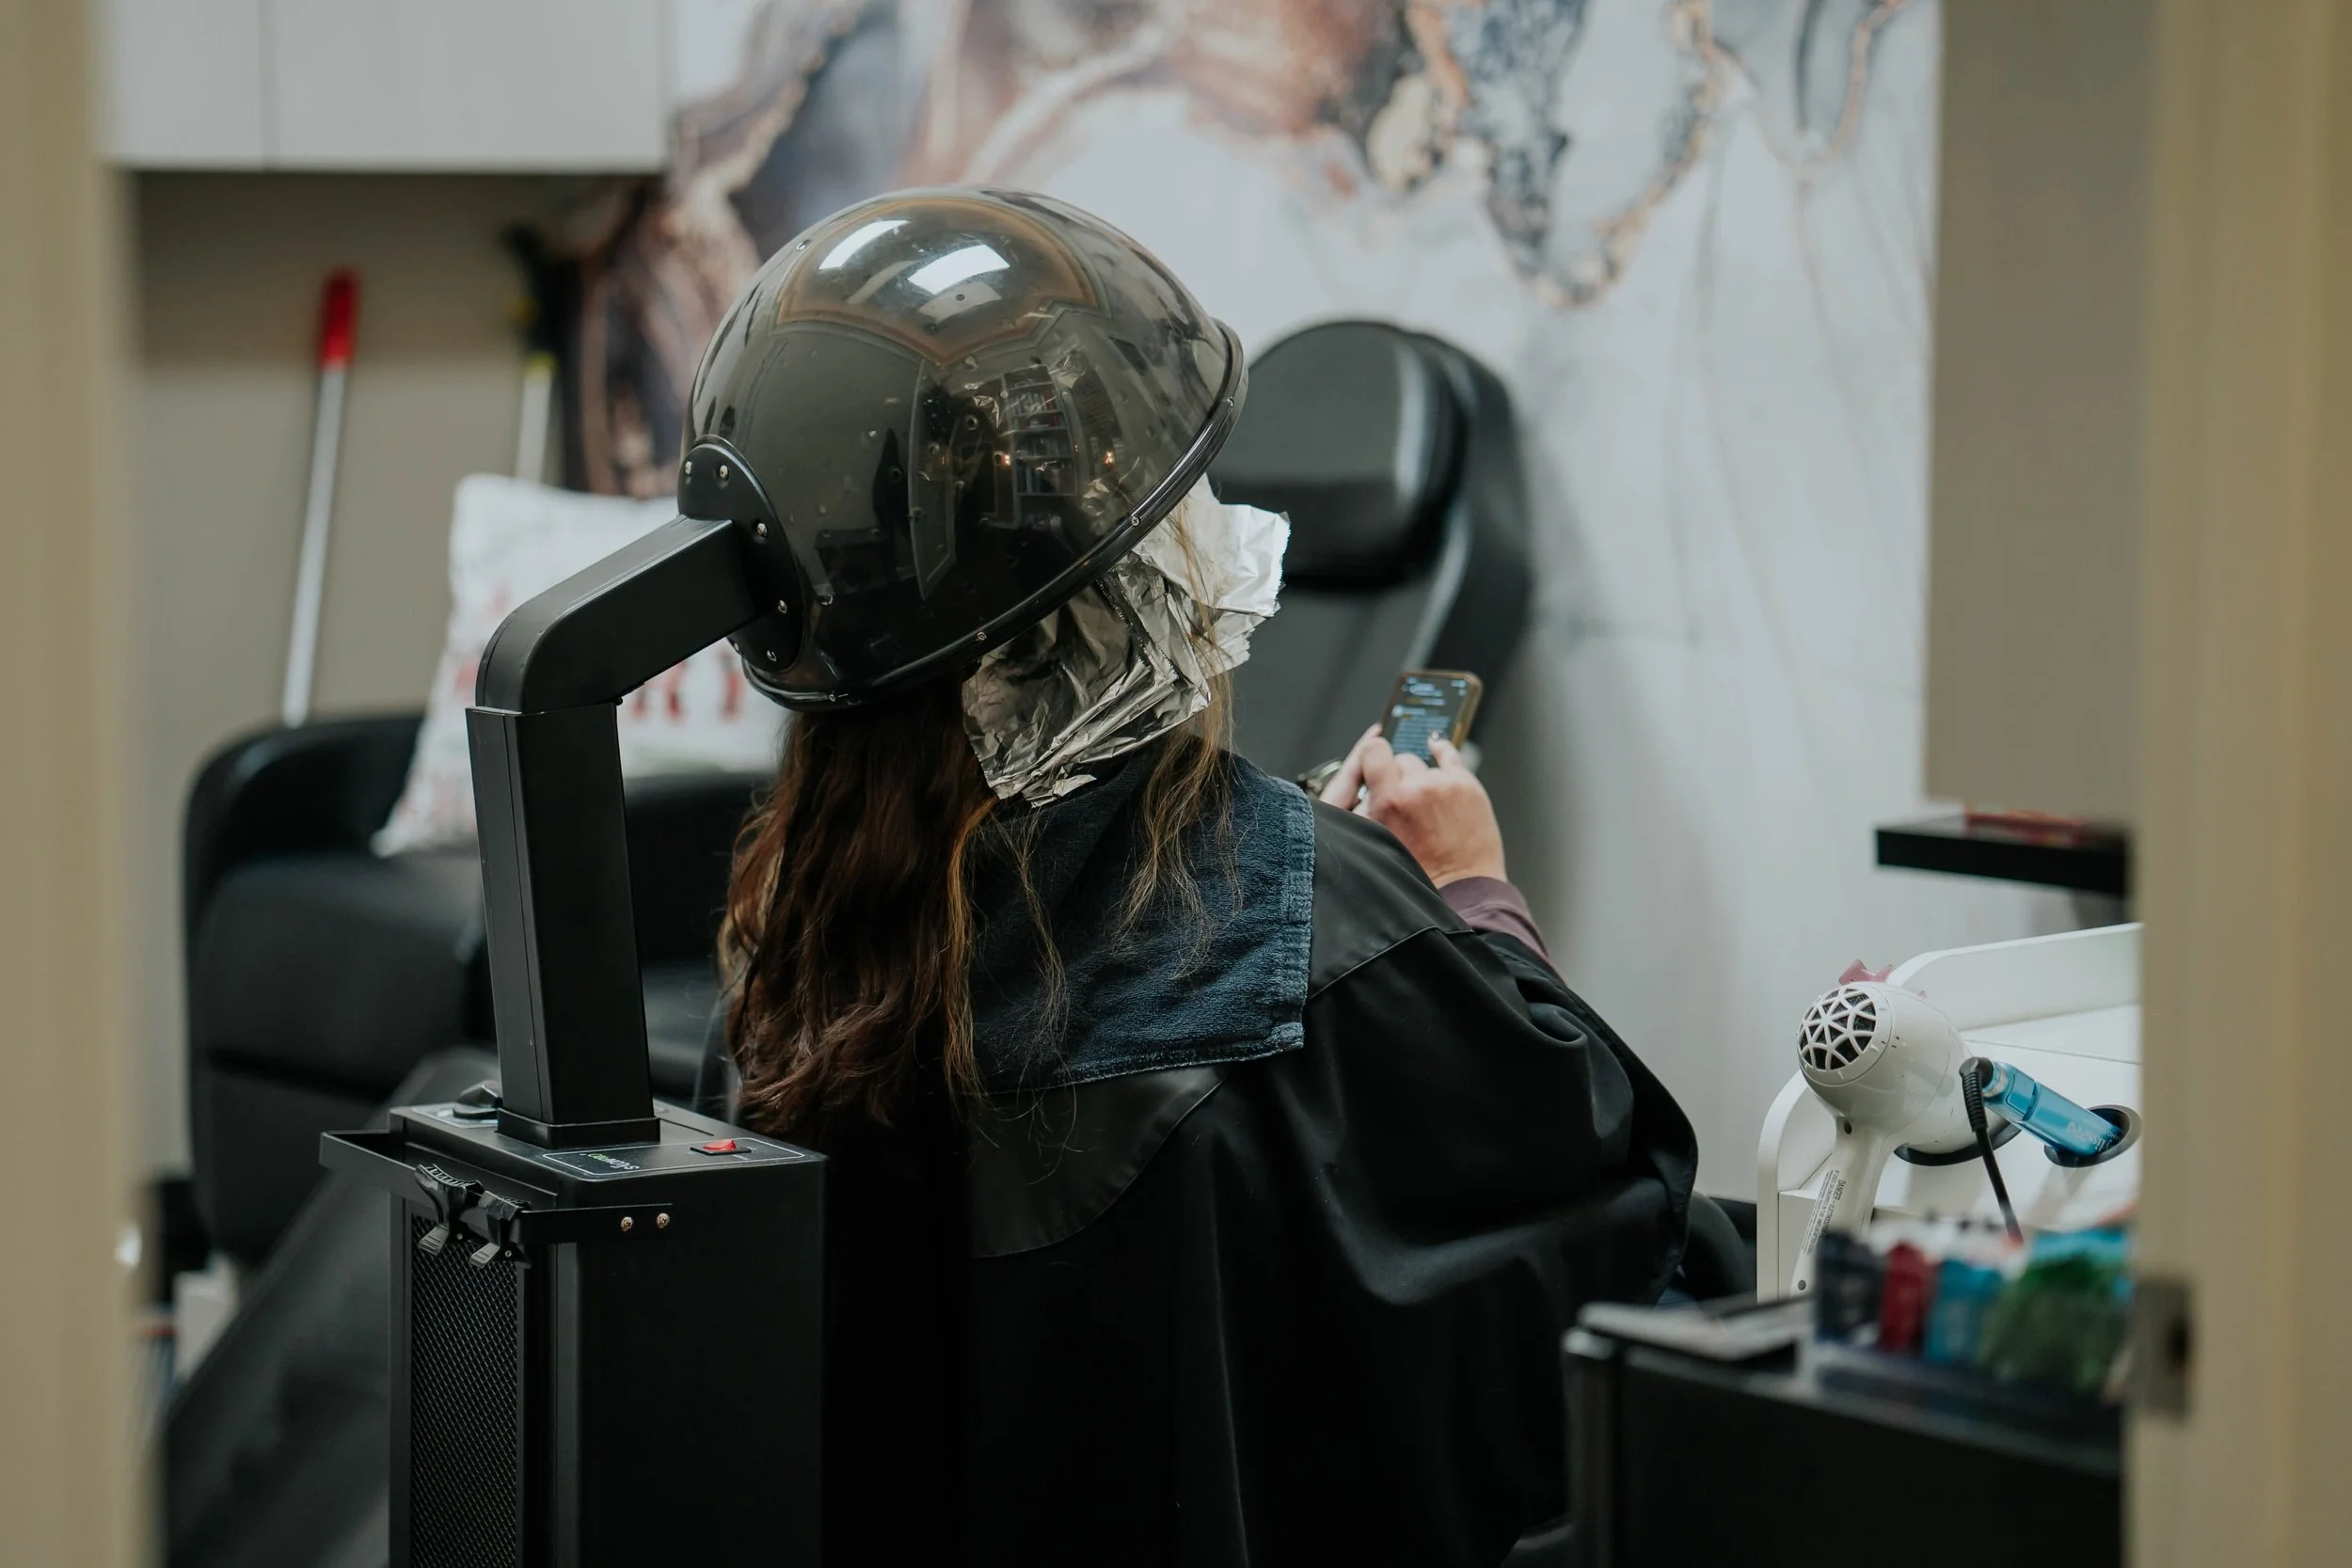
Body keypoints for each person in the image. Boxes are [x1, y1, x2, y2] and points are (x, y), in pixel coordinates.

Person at [686, 187, 1696, 1565]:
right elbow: (1615, 1212)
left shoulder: (783, 961)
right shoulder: (1324, 929)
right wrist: (1467, 899)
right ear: (1141, 587)